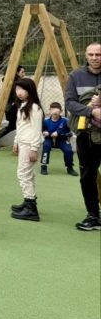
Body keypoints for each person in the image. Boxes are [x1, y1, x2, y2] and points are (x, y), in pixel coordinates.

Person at [64, 42, 101, 231]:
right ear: (85, 55)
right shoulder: (75, 76)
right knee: (87, 176)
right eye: (91, 54)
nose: (94, 57)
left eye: (98, 54)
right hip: (86, 135)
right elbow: (70, 103)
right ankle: (93, 215)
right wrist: (91, 111)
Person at [10, 78, 44, 222]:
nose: (19, 92)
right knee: (27, 174)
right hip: (24, 143)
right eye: (17, 89)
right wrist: (16, 141)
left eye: (22, 89)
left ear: (30, 90)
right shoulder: (23, 105)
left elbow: (37, 130)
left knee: (23, 174)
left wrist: (34, 148)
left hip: (30, 145)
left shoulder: (34, 108)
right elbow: (20, 126)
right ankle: (28, 201)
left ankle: (31, 208)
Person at [40, 102, 77, 176]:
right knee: (46, 146)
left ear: (61, 111)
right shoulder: (46, 121)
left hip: (62, 139)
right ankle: (44, 166)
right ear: (50, 110)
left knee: (68, 150)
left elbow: (70, 133)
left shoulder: (65, 120)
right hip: (49, 139)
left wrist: (59, 133)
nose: (54, 112)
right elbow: (41, 131)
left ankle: (69, 167)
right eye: (52, 110)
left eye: (57, 111)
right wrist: (44, 132)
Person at [0, 65, 27, 143]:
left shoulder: (11, 81)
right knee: (14, 126)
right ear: (16, 73)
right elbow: (16, 96)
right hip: (13, 108)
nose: (24, 74)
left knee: (13, 126)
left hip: (12, 107)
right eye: (22, 72)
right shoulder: (15, 83)